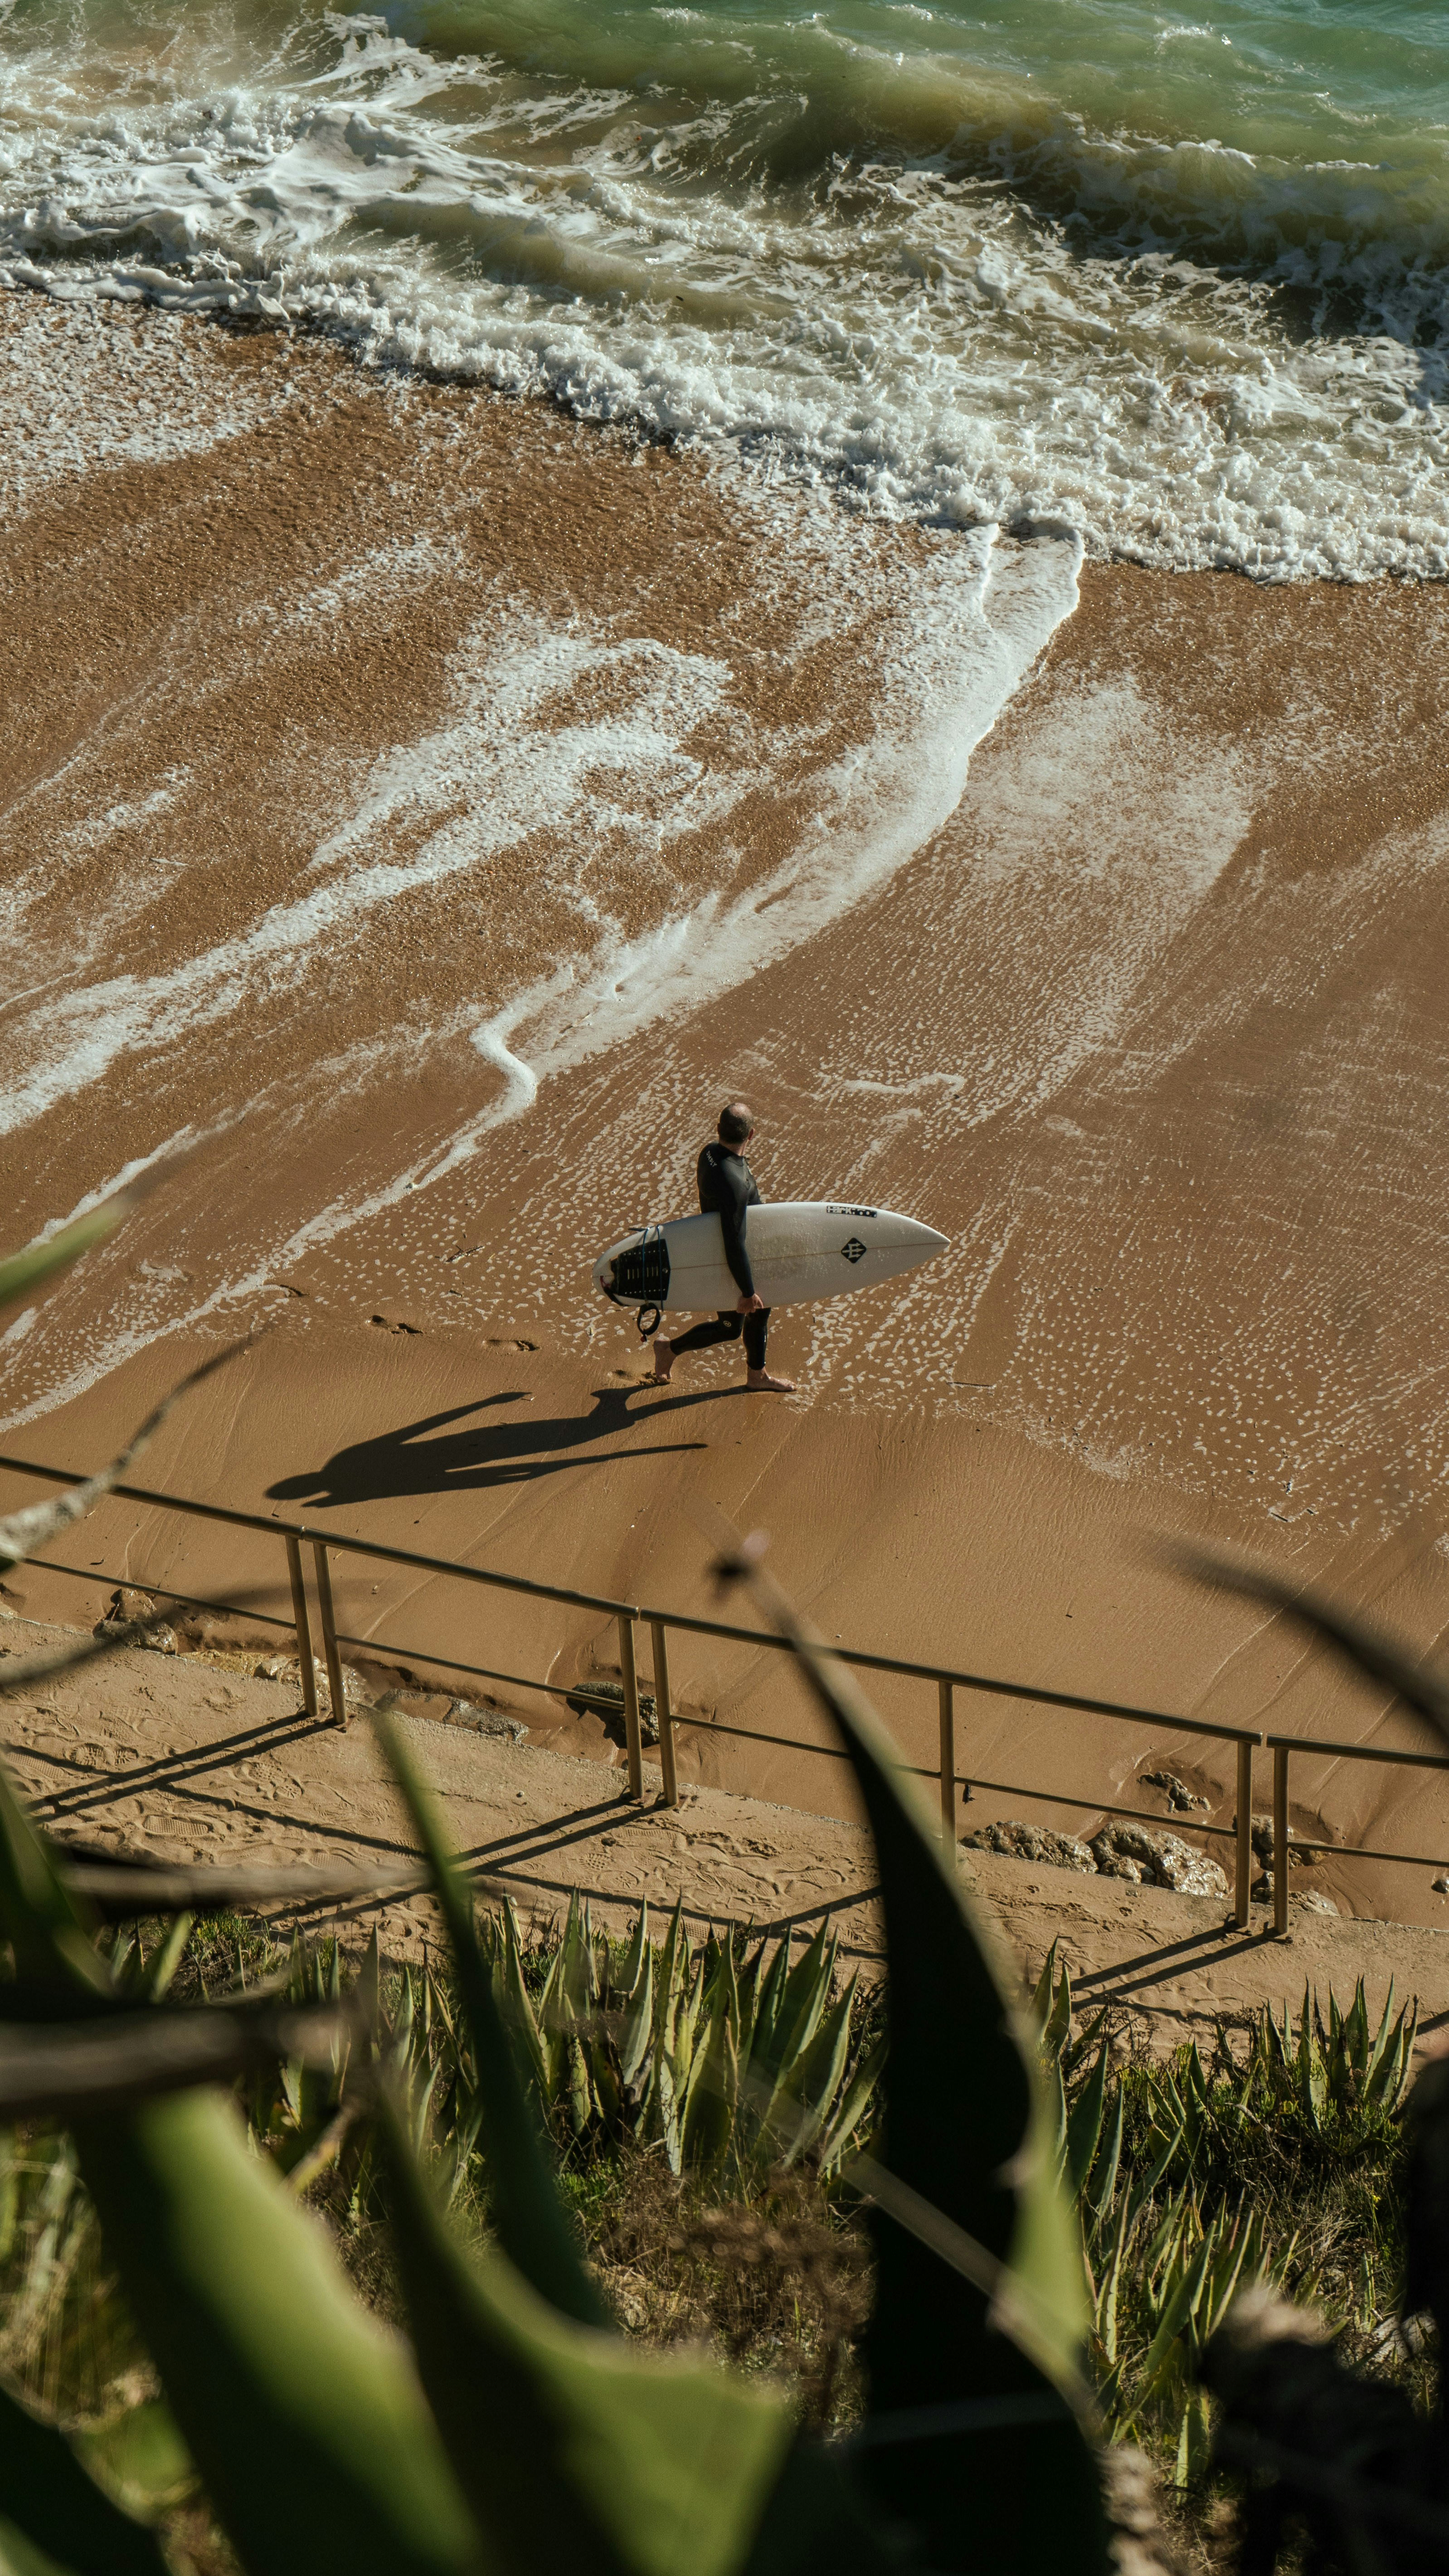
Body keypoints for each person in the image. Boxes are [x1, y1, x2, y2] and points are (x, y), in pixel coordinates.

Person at [651, 1102, 794, 1393]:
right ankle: (670, 1349)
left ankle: (755, 1374)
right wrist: (746, 1291)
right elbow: (733, 1239)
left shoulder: (710, 1153)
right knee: (736, 1325)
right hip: (727, 1259)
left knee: (747, 1321)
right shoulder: (735, 1182)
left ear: (718, 1130)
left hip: (718, 1250)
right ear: (751, 1135)